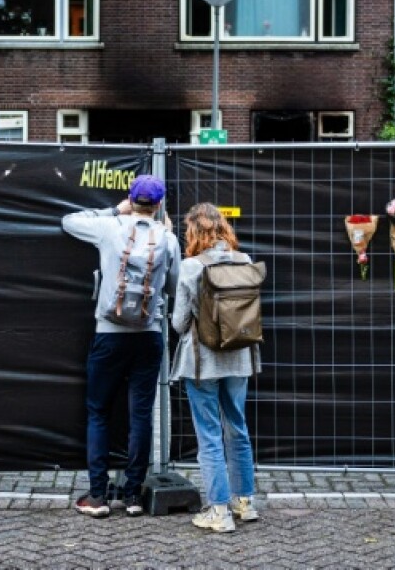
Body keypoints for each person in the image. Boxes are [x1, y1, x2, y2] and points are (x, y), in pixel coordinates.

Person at [62, 174, 180, 519]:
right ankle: (132, 497)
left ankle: (97, 497)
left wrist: (116, 209)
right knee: (140, 416)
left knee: (98, 412)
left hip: (109, 332)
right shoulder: (168, 238)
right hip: (148, 334)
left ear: (132, 199)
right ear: (158, 205)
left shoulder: (109, 227)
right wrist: (168, 234)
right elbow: (172, 288)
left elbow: (68, 222)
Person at [168, 202, 260, 533]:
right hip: (240, 358)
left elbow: (179, 324)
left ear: (193, 231)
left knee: (209, 436)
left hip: (202, 362)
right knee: (237, 427)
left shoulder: (191, 266)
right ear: (223, 228)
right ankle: (244, 503)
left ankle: (218, 511)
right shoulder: (245, 261)